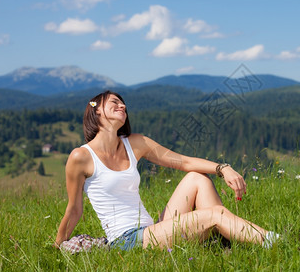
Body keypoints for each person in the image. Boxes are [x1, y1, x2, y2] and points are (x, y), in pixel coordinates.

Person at [55, 90, 279, 250]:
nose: (122, 106)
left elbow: (184, 162)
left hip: (152, 229)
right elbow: (74, 210)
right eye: (114, 102)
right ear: (96, 111)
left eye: (123, 104)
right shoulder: (81, 157)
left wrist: (223, 168)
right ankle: (274, 242)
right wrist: (56, 246)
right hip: (127, 240)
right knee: (213, 214)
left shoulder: (134, 142)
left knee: (196, 178)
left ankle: (222, 240)